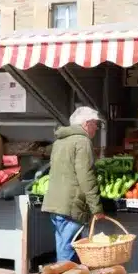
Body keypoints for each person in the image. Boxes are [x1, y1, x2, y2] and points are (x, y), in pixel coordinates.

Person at [43, 107, 105, 263]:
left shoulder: (60, 141)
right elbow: (87, 177)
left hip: (55, 202)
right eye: (95, 124)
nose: (96, 128)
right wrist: (96, 207)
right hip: (72, 205)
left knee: (63, 245)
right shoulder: (83, 142)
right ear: (86, 123)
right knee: (68, 249)